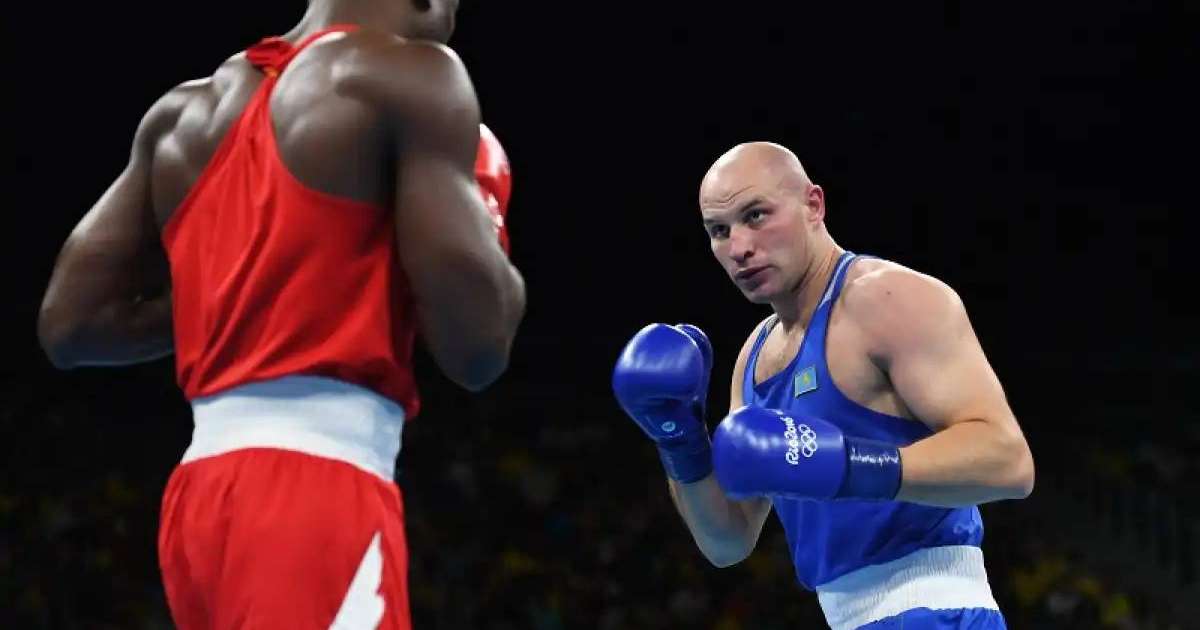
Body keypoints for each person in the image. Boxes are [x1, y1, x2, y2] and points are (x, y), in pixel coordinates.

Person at [36, 0, 526, 627]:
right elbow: (479, 350)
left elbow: (72, 325)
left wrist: (251, 290)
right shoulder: (414, 76)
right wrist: (483, 219)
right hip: (313, 497)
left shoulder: (185, 111)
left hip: (199, 500)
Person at [613, 142, 1033, 629]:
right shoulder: (754, 357)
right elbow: (727, 542)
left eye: (756, 215)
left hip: (937, 609)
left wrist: (847, 465)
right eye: (719, 231)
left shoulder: (885, 298)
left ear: (814, 205)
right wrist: (679, 441)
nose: (740, 247)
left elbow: (1009, 461)